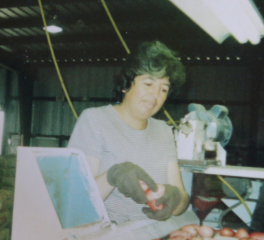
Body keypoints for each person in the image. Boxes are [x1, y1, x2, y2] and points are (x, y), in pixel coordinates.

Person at [68, 41, 189, 223]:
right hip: (107, 236)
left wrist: (175, 198)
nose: (155, 95)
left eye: (163, 89)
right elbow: (75, 201)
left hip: (152, 238)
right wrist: (112, 176)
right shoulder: (95, 121)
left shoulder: (164, 131)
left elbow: (182, 202)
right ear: (125, 85)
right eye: (148, 83)